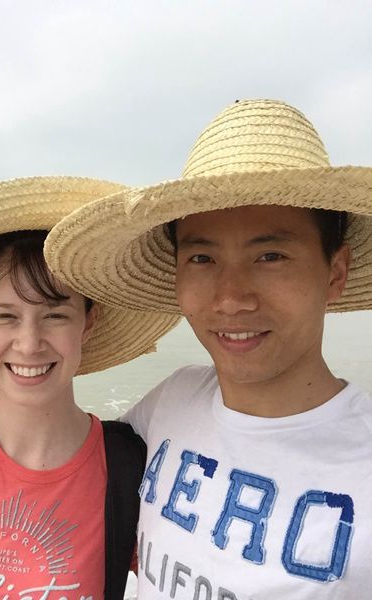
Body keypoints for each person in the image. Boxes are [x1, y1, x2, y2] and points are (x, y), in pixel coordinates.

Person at [36, 100, 372, 599]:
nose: (231, 298)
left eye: (270, 255)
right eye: (201, 258)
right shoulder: (173, 400)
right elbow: (67, 457)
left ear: (335, 273)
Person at [0, 176, 179, 598]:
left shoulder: (132, 473)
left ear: (88, 322)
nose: (29, 344)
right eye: (5, 316)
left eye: (55, 315)